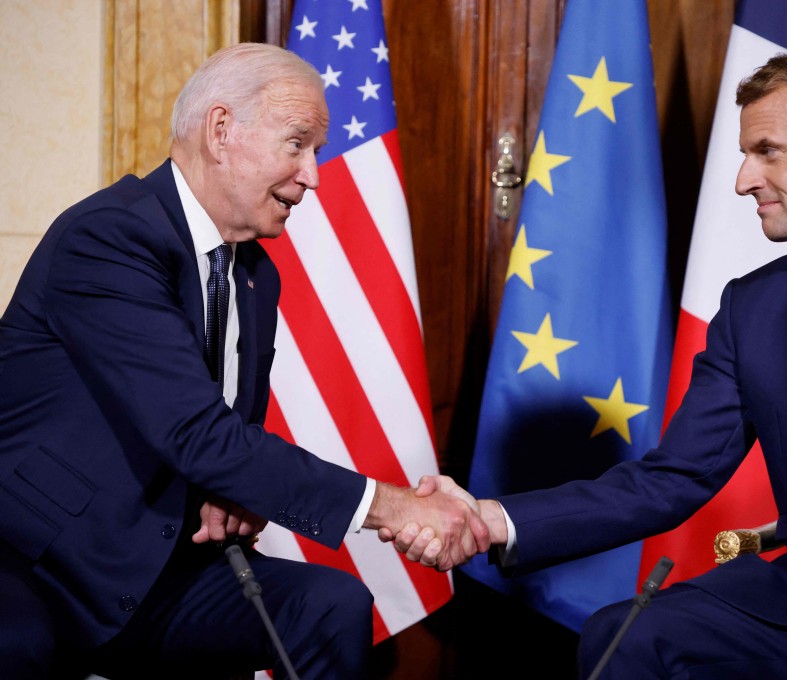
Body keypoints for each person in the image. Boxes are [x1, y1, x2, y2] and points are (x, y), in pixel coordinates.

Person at [391, 46, 787, 679]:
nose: (744, 180)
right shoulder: (754, 308)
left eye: (767, 151)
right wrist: (492, 520)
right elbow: (676, 476)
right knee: (627, 636)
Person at [0, 42, 488, 680]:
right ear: (221, 130)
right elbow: (196, 434)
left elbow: (222, 438)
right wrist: (396, 508)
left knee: (329, 605)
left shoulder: (255, 274)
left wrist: (230, 490)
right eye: (297, 144)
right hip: (38, 565)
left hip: (158, 567)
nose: (313, 175)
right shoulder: (111, 238)